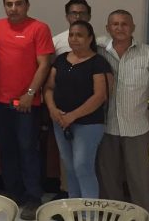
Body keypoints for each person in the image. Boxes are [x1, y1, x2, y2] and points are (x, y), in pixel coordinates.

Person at [0, 0, 54, 219]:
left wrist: (30, 93)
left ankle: (33, 198)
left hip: (27, 102)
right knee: (7, 150)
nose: (13, 8)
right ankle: (13, 194)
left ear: (27, 5)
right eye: (9, 4)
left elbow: (44, 64)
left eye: (18, 4)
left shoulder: (39, 28)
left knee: (28, 150)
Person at [96, 9, 149, 216]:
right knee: (108, 177)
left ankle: (145, 215)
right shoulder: (99, 52)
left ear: (133, 27)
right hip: (106, 125)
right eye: (115, 24)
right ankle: (112, 216)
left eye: (124, 24)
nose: (120, 28)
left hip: (137, 125)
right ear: (108, 28)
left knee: (141, 177)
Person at [43, 21, 110, 199]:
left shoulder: (98, 63)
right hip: (60, 122)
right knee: (70, 167)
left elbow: (100, 96)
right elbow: (49, 88)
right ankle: (74, 208)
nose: (74, 39)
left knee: (82, 166)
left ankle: (89, 211)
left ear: (90, 39)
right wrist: (52, 109)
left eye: (79, 35)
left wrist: (72, 116)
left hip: (88, 124)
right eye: (71, 35)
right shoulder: (60, 60)